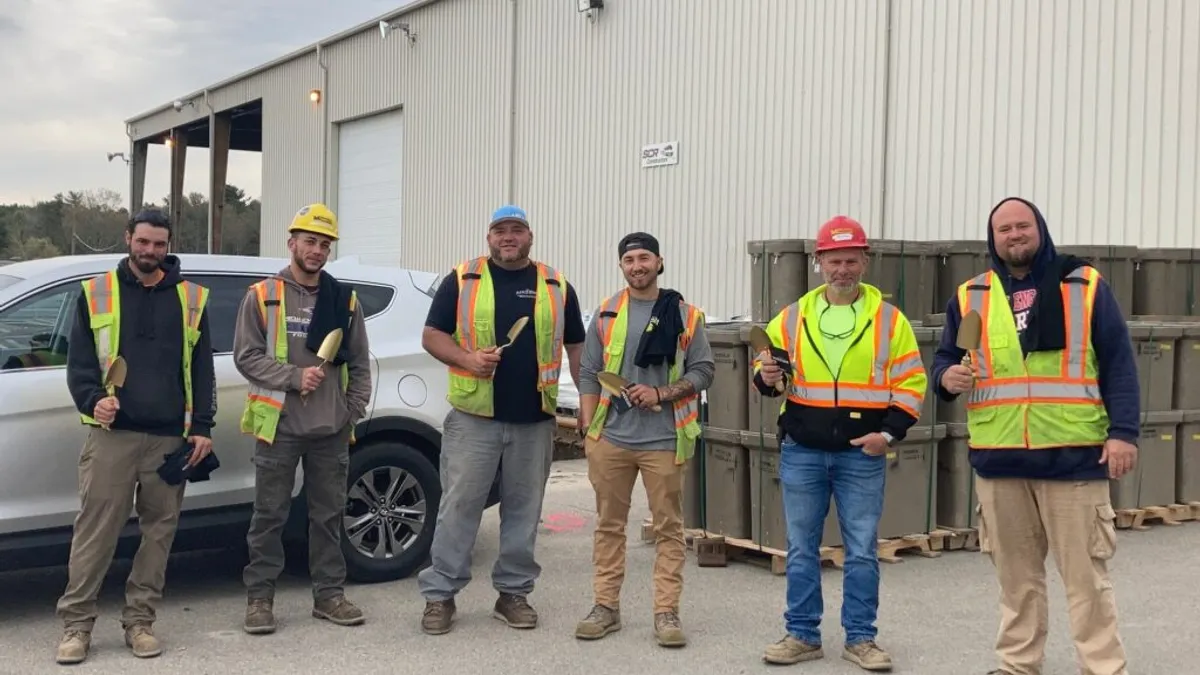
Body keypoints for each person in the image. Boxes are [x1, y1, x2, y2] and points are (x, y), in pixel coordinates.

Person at [931, 197, 1139, 675]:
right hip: (1000, 462)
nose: (1014, 235)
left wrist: (1123, 433)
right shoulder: (971, 297)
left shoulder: (1084, 286)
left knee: (1086, 580)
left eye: (1022, 225)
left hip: (1074, 459)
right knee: (1016, 582)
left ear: (1040, 229)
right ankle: (1017, 665)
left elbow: (1119, 364)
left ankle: (1103, 667)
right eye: (1004, 229)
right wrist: (947, 378)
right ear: (992, 237)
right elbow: (945, 360)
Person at [752, 216, 927, 672]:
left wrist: (887, 434)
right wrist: (766, 376)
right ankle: (802, 634)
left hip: (861, 454)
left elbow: (911, 383)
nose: (842, 269)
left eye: (851, 260)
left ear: (865, 262)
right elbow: (768, 374)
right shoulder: (792, 317)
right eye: (834, 260)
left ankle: (862, 639)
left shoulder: (890, 320)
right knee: (801, 546)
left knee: (863, 549)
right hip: (803, 451)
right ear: (819, 263)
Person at [55, 209, 216, 664]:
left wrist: (202, 427)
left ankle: (140, 622)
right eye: (143, 242)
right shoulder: (97, 292)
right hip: (113, 436)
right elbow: (80, 365)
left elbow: (202, 368)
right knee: (94, 535)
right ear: (128, 239)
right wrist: (92, 401)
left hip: (169, 439)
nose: (150, 251)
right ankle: (76, 626)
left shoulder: (192, 299)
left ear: (169, 245)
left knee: (158, 535)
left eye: (159, 244)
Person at [417, 204, 586, 635]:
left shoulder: (556, 284)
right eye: (500, 230)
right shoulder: (462, 279)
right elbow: (432, 335)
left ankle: (513, 594)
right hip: (474, 418)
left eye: (516, 230)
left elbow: (577, 347)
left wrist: (587, 405)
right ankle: (440, 596)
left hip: (534, 419)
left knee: (524, 511)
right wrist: (469, 359)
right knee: (459, 507)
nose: (508, 237)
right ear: (488, 237)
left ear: (530, 236)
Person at [233, 203, 372, 635]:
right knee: (269, 516)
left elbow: (362, 364)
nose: (316, 250)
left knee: (328, 516)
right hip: (279, 426)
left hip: (330, 429)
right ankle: (260, 599)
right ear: (291, 243)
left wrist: (352, 409)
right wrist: (294, 377)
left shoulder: (344, 300)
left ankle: (329, 595)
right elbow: (246, 357)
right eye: (309, 241)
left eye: (324, 244)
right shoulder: (262, 295)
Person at [573, 232, 714, 648]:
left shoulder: (687, 316)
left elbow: (704, 371)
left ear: (659, 262)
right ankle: (605, 607)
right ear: (622, 266)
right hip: (611, 437)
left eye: (644, 258)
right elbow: (588, 372)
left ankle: (666, 613)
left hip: (664, 439)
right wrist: (586, 427)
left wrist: (660, 394)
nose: (637, 265)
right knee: (608, 526)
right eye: (630, 259)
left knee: (669, 528)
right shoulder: (606, 313)